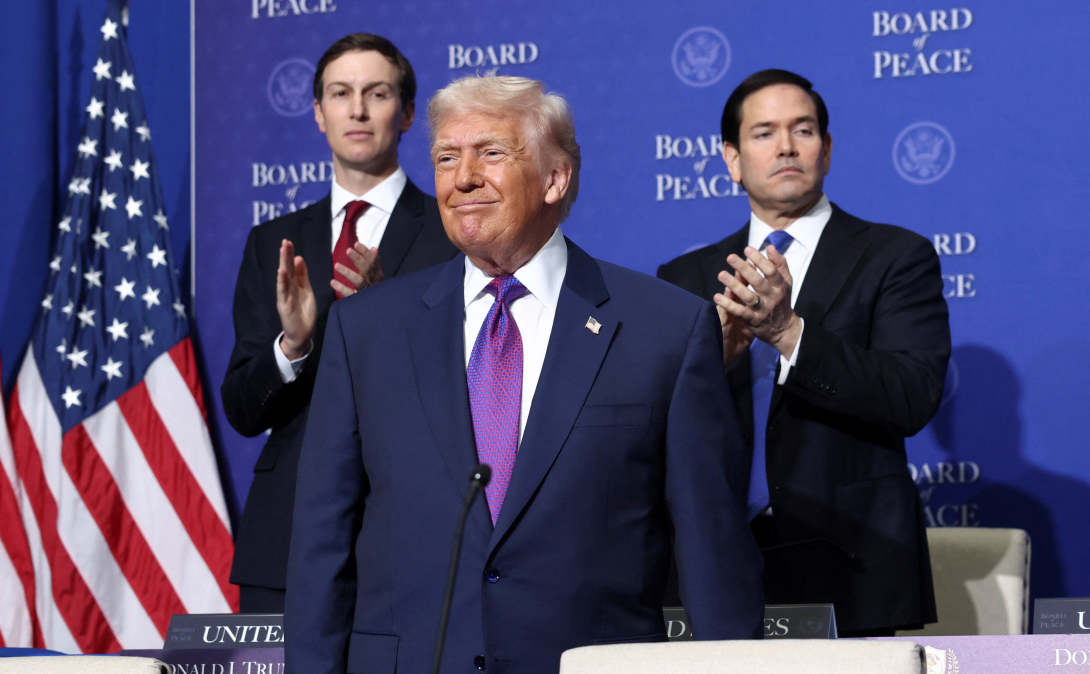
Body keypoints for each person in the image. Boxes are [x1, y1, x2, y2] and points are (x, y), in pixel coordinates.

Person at [284, 75, 763, 674]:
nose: (463, 178)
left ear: (555, 178)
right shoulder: (366, 330)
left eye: (490, 153)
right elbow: (321, 543)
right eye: (446, 158)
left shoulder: (665, 328)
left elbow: (712, 549)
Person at [657, 69, 950, 636]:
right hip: (714, 563)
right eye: (764, 132)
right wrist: (711, 365)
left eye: (804, 130)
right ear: (732, 159)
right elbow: (657, 424)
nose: (786, 146)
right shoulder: (685, 277)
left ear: (827, 149)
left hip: (848, 559)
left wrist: (789, 331)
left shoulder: (894, 256)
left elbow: (911, 395)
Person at [223, 33, 458, 613]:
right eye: (340, 93)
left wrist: (387, 315)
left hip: (413, 531)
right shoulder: (272, 242)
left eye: (376, 94)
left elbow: (473, 388)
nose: (357, 110)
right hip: (287, 537)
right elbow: (244, 410)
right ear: (318, 113)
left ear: (407, 114)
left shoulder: (454, 233)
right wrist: (292, 345)